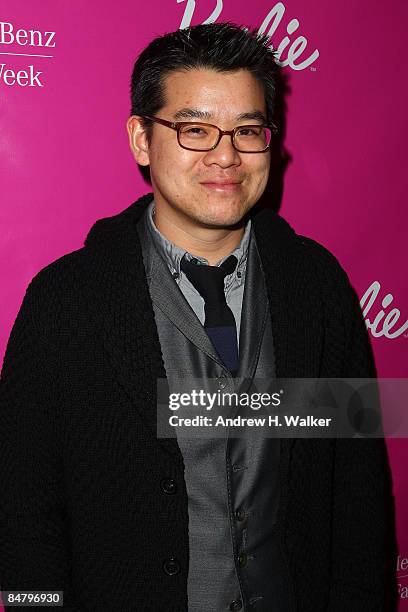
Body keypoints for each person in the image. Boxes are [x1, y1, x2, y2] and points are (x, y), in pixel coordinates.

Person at [0, 22, 397, 612]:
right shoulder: (65, 302)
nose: (226, 155)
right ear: (141, 138)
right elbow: (22, 516)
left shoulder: (317, 286)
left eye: (246, 130)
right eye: (195, 130)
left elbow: (357, 496)